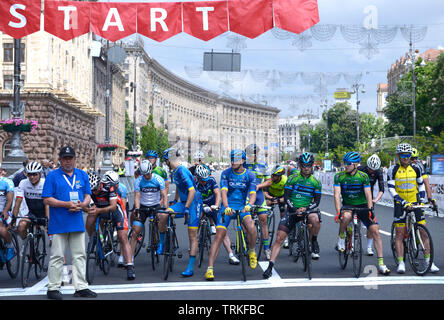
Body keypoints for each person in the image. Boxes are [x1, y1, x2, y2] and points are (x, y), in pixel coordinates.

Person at [42, 146, 97, 299]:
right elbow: (46, 199)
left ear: (74, 159)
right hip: (59, 221)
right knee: (57, 256)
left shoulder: (82, 174)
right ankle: (53, 288)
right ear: (60, 160)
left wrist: (83, 204)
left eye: (70, 158)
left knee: (79, 255)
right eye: (65, 158)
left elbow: (87, 194)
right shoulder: (52, 176)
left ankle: (80, 287)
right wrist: (66, 204)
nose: (68, 161)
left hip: (76, 221)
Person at [263, 152, 322, 278]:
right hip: (292, 210)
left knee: (315, 219)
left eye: (309, 165)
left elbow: (316, 202)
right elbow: (287, 197)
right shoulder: (292, 179)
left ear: (312, 166)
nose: (306, 168)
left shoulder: (316, 182)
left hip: (307, 210)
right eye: (304, 165)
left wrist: (305, 208)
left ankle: (314, 240)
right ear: (300, 165)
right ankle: (270, 266)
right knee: (279, 238)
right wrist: (295, 208)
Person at [204, 149, 258, 281]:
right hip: (228, 207)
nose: (233, 161)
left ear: (243, 161)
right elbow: (223, 191)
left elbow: (252, 194)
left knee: (251, 227)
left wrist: (249, 205)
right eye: (232, 158)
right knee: (218, 236)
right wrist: (226, 207)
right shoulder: (226, 173)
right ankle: (210, 269)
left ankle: (251, 250)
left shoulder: (250, 175)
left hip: (242, 207)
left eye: (236, 159)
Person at [334, 151, 390, 275]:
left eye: (348, 163)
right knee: (346, 216)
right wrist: (338, 213)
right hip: (348, 205)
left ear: (356, 164)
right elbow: (337, 195)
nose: (345, 165)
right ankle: (342, 237)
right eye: (345, 163)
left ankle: (381, 264)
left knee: (375, 230)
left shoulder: (363, 176)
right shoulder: (339, 176)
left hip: (363, 205)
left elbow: (368, 194)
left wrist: (370, 210)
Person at [387, 143, 439, 274]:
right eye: (403, 155)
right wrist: (402, 201)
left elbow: (421, 185)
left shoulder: (416, 168)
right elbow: (391, 190)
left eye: (408, 155)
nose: (405, 157)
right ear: (398, 155)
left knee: (423, 231)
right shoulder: (392, 170)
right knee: (399, 233)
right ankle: (400, 262)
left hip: (415, 202)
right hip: (400, 203)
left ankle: (429, 261)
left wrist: (422, 199)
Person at [161, 147, 203, 277]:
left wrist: (186, 208)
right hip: (183, 202)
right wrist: (175, 201)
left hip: (193, 203)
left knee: (192, 234)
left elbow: (192, 190)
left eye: (165, 160)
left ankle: (190, 268)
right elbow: (179, 187)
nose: (165, 162)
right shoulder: (174, 171)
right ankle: (162, 244)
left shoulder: (182, 171)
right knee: (163, 214)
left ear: (168, 159)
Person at [85, 171, 135, 280]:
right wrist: (87, 209)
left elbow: (113, 207)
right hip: (98, 209)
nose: (95, 191)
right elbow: (85, 205)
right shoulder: (88, 189)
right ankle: (94, 238)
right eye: (92, 190)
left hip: (115, 210)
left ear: (100, 183)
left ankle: (130, 266)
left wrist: (98, 210)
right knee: (88, 223)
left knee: (123, 237)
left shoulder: (109, 186)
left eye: (96, 189)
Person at [195, 164, 239, 265]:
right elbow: (195, 198)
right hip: (201, 204)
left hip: (213, 205)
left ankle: (231, 255)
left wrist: (216, 205)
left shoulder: (211, 180)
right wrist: (203, 205)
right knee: (196, 223)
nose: (204, 181)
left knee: (222, 230)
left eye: (205, 179)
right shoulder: (195, 183)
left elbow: (218, 194)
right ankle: (195, 243)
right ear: (197, 177)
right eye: (202, 179)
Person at [131, 160, 168, 261]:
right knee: (135, 232)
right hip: (143, 207)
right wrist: (137, 209)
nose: (146, 176)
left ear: (151, 170)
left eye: (147, 174)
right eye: (144, 174)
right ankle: (130, 260)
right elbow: (137, 196)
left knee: (162, 218)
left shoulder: (158, 179)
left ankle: (161, 243)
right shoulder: (138, 180)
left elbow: (164, 196)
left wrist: (165, 209)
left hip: (155, 206)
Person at [244, 144, 271, 260]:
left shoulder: (263, 164)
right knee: (245, 220)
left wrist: (259, 185)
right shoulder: (243, 164)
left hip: (258, 195)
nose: (251, 156)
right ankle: (247, 244)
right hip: (245, 195)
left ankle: (266, 248)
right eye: (249, 153)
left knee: (264, 219)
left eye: (253, 153)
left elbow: (269, 181)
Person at [12, 161, 49, 240]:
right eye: (29, 174)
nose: (32, 177)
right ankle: (25, 244)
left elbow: (47, 204)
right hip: (31, 213)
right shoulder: (23, 183)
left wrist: (48, 220)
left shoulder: (45, 183)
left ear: (40, 174)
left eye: (35, 174)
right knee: (21, 226)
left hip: (45, 213)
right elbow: (18, 202)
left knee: (52, 241)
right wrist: (14, 219)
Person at [358, 154, 385, 256]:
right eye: (370, 169)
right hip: (357, 196)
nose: (371, 171)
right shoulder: (360, 169)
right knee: (350, 219)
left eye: (373, 170)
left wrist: (375, 200)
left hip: (369, 198)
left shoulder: (378, 171)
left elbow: (382, 189)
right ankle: (349, 242)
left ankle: (369, 247)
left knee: (371, 222)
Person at [0, 171, 15, 262]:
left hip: (3, 211)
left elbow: (10, 200)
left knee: (0, 228)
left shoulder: (7, 182)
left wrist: (5, 211)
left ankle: (10, 246)